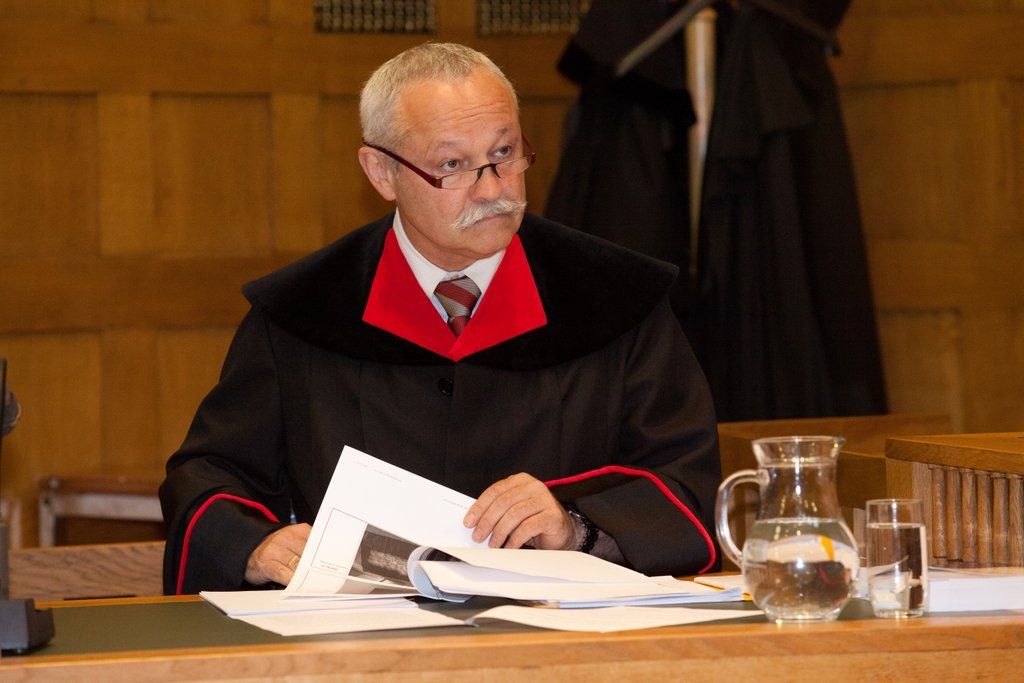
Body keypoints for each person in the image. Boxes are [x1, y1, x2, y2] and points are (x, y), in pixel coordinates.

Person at [159, 43, 721, 595]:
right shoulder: (302, 310)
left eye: (504, 153)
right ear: (381, 172)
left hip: (561, 632)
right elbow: (212, 474)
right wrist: (256, 545)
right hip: (358, 634)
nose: (493, 189)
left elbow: (685, 482)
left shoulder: (615, 297)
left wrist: (574, 527)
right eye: (452, 166)